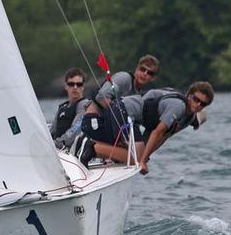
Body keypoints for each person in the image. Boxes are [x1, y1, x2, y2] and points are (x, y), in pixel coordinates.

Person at [85, 81, 214, 174]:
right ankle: (89, 147)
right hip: (123, 110)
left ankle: (93, 149)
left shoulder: (187, 119)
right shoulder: (178, 106)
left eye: (203, 104)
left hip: (130, 117)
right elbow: (157, 133)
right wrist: (142, 161)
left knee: (135, 156)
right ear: (189, 95)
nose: (198, 105)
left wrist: (145, 157)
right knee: (135, 158)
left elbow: (162, 137)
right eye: (196, 99)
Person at [78, 54, 160, 165]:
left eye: (150, 73)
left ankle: (101, 154)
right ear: (137, 68)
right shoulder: (125, 78)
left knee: (134, 152)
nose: (145, 74)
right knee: (134, 156)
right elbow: (101, 96)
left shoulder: (139, 94)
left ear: (153, 77)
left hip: (108, 126)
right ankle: (86, 145)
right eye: (142, 69)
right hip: (93, 122)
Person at [51, 67, 89, 149]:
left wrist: (58, 143)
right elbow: (52, 131)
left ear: (83, 87)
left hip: (69, 151)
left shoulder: (84, 105)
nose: (75, 87)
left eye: (79, 84)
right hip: (57, 149)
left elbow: (75, 130)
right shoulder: (62, 107)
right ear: (66, 86)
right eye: (71, 84)